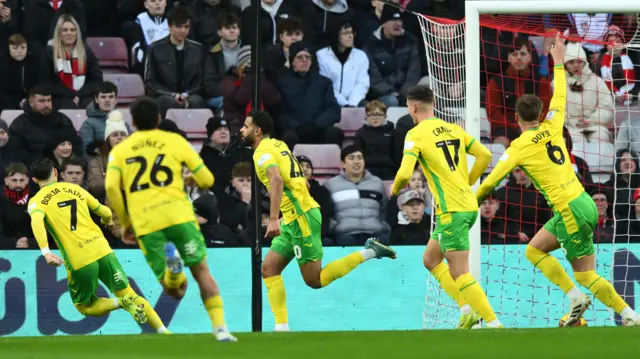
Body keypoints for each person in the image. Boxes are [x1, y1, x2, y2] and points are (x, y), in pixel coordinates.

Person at [476, 34, 640, 327]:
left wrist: (472, 200)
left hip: (568, 211)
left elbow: (491, 183)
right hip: (584, 203)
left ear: (516, 117)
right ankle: (581, 305)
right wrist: (558, 61)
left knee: (585, 275)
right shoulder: (553, 123)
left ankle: (625, 315)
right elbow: (560, 94)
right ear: (540, 112)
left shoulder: (517, 147)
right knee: (534, 249)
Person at [239, 110, 396, 332]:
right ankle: (281, 328)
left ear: (257, 130)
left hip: (301, 217)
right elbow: (295, 175)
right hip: (293, 217)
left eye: (245, 126)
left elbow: (275, 179)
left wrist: (273, 218)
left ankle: (370, 251)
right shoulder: (278, 145)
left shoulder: (261, 152)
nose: (241, 130)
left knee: (315, 280)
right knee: (269, 269)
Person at [105, 97, 237, 341]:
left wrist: (125, 222)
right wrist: (190, 179)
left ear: (132, 122)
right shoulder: (175, 141)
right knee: (202, 271)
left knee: (174, 291)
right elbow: (208, 180)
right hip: (179, 215)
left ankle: (174, 273)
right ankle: (220, 329)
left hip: (147, 222)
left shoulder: (121, 150)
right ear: (158, 119)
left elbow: (112, 188)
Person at [390, 84, 497, 329]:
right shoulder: (453, 128)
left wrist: (394, 188)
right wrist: (468, 181)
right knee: (430, 259)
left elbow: (406, 172)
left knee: (460, 272)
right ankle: (467, 310)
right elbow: (485, 155)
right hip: (465, 205)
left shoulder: (415, 134)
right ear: (433, 104)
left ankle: (493, 323)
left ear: (413, 107)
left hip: (452, 210)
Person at [27, 158, 168, 333]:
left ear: (34, 180)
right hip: (102, 249)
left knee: (84, 306)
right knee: (129, 293)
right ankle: (164, 332)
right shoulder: (75, 189)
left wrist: (46, 252)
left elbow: (37, 222)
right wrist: (106, 221)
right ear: (56, 172)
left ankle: (119, 303)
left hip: (79, 258)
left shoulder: (37, 201)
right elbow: (106, 211)